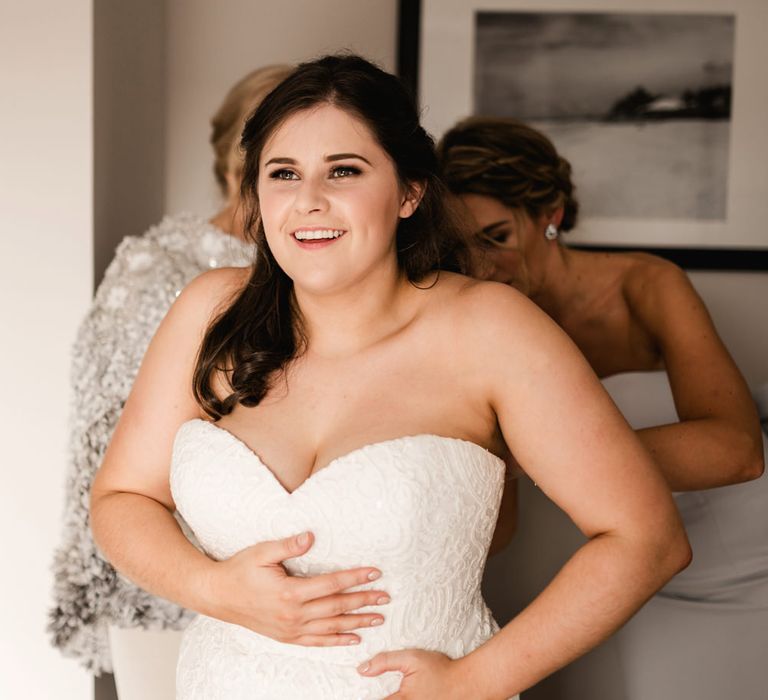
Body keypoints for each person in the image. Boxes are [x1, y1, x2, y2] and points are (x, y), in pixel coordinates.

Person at [89, 54, 690, 700]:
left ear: (409, 192)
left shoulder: (492, 330)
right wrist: (212, 588)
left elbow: (646, 539)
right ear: (256, 197)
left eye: (343, 171)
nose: (309, 201)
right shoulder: (208, 312)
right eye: (283, 173)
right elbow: (120, 502)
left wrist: (475, 681)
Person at [49, 63, 395, 698]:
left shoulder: (341, 270)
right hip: (169, 585)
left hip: (327, 586)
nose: (304, 180)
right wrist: (198, 575)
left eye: (334, 161)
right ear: (242, 162)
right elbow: (107, 439)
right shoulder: (164, 271)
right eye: (280, 160)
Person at [439, 116, 767, 700]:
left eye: (496, 236)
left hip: (745, 550)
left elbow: (738, 452)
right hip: (629, 563)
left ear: (551, 216)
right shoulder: (482, 326)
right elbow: (500, 525)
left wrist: (553, 456)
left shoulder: (647, 286)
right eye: (463, 248)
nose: (484, 265)